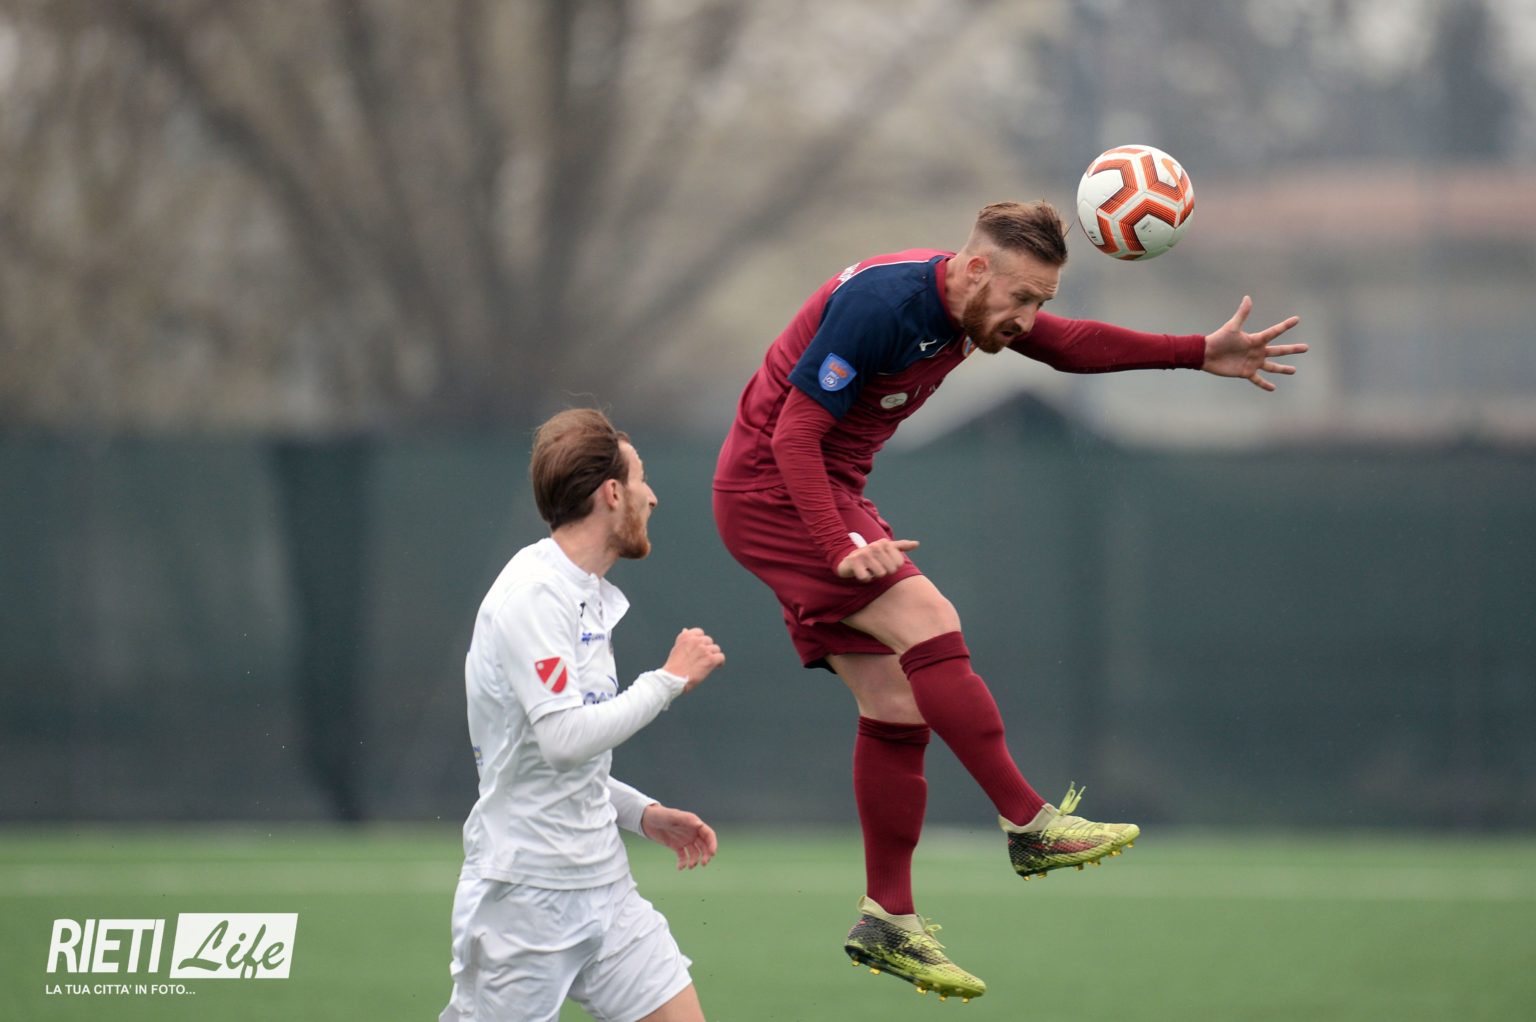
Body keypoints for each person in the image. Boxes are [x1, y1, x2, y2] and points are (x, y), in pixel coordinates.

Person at [712, 200, 1306, 1002]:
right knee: (931, 622)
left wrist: (1197, 352)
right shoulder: (883, 303)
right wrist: (838, 544)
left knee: (895, 702)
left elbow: (1071, 344)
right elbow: (792, 435)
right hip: (776, 493)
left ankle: (888, 918)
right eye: (1021, 297)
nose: (1028, 318)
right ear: (974, 268)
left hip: (825, 492)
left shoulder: (976, 311)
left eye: (1040, 300)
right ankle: (1029, 824)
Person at [442, 408, 727, 1022]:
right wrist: (668, 680)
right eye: (642, 479)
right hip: (524, 898)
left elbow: (560, 760)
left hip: (605, 888)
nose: (653, 497)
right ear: (613, 493)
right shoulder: (534, 595)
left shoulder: (585, 594)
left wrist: (640, 813)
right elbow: (564, 740)